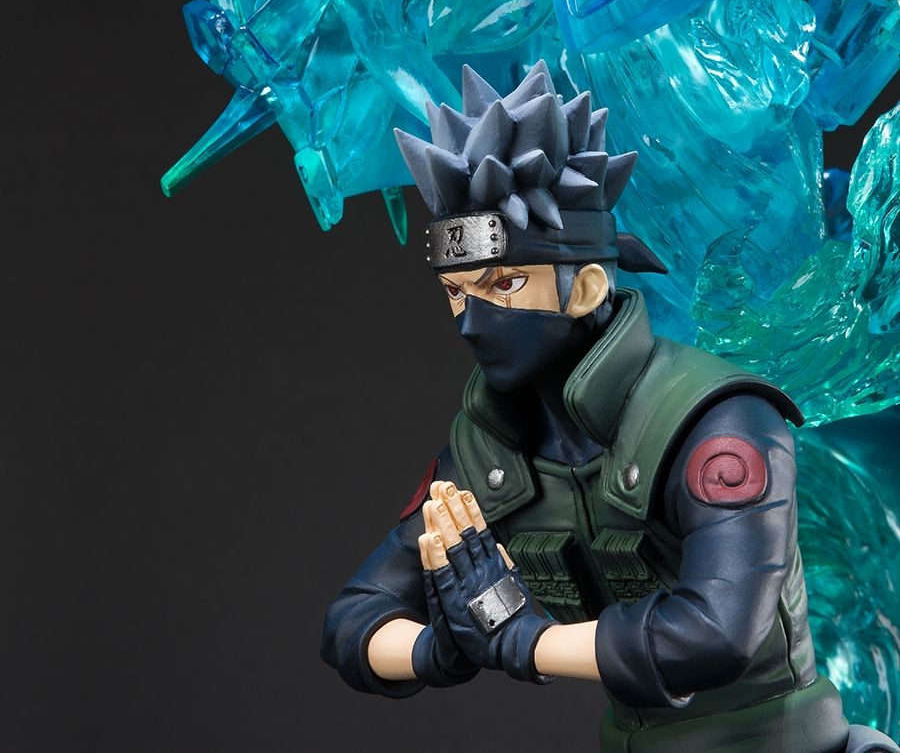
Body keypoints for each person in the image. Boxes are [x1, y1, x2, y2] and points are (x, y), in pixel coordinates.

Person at [321, 62, 898, 752]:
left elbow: (716, 633)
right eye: (456, 291)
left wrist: (524, 640)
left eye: (504, 285)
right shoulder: (488, 452)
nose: (472, 322)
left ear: (587, 286)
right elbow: (354, 619)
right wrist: (439, 648)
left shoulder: (717, 420)